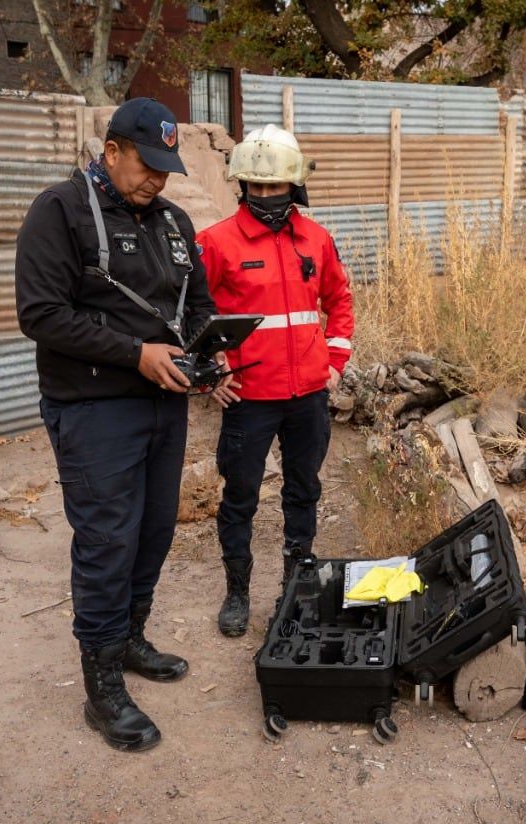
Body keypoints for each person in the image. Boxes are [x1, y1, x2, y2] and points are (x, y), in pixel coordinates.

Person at [15, 98, 222, 752]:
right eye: (147, 164)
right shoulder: (61, 211)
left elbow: (198, 306)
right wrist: (136, 353)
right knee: (107, 540)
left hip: (165, 402)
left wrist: (209, 354)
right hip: (95, 406)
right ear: (111, 151)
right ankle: (101, 686)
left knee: (154, 530)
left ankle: (130, 637)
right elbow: (41, 314)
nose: (158, 178)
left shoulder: (173, 222)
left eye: (166, 167)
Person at [196, 124, 355, 638]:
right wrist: (209, 375)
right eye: (255, 187)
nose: (265, 196)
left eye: (275, 187)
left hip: (308, 395)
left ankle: (295, 589)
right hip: (249, 398)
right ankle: (237, 593)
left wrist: (334, 363)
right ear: (242, 185)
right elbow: (190, 316)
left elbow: (340, 302)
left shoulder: (317, 238)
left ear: (294, 185)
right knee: (240, 496)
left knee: (303, 491)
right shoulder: (215, 243)